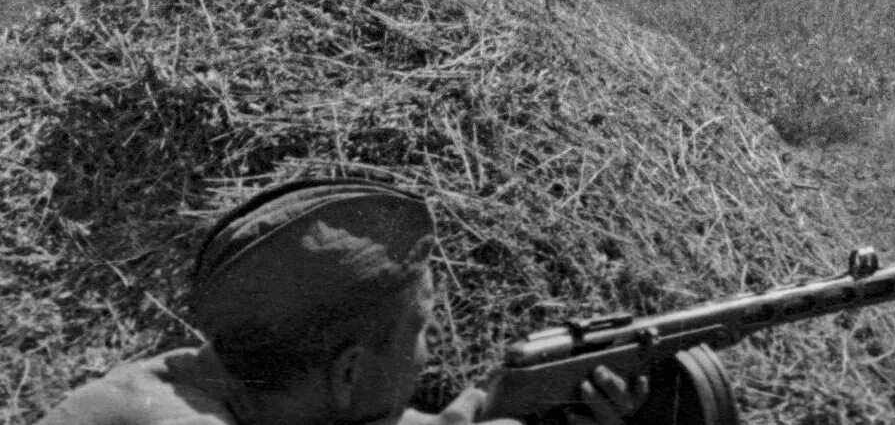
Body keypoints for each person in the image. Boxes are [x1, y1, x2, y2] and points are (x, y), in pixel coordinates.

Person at [36, 176, 638, 425]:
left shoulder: (219, 375)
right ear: (348, 372)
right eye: (421, 332)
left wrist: (508, 403)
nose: (429, 359)